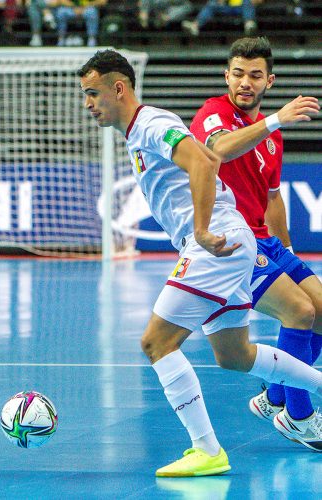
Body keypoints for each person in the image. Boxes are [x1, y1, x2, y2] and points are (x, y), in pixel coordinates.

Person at [77, 49, 322, 476]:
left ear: (119, 88)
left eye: (92, 93)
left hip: (215, 244)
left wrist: (204, 231)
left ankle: (208, 450)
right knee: (234, 355)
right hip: (230, 243)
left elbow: (205, 161)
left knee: (156, 343)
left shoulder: (152, 124)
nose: (88, 104)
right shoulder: (139, 133)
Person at [190, 37, 321, 451]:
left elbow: (272, 197)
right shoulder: (214, 114)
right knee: (299, 312)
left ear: (269, 81)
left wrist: (288, 253)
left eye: (255, 75)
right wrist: (275, 120)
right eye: (239, 73)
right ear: (226, 75)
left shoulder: (272, 137)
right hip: (232, 243)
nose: (246, 82)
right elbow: (217, 152)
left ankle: (275, 395)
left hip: (267, 242)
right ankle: (299, 417)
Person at [182, 0, 259, 37]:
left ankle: (249, 24)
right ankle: (195, 26)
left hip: (241, 7)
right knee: (211, 4)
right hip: (226, 7)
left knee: (247, 3)